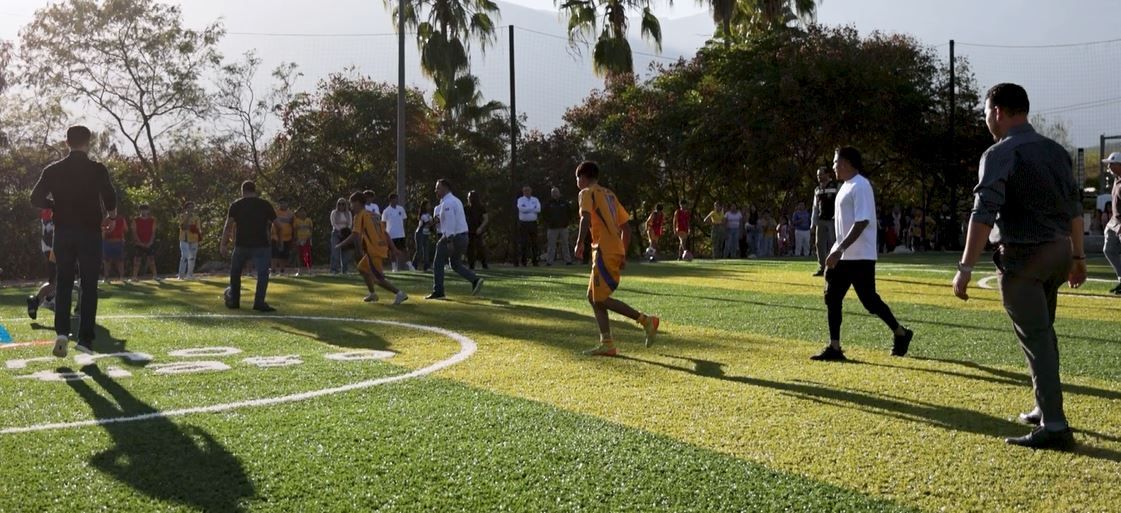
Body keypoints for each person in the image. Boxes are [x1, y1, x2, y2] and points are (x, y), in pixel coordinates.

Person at [952, 83, 1086, 450]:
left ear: (997, 111)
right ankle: (1045, 409)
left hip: (1023, 255)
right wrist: (1078, 257)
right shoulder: (1056, 151)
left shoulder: (999, 153)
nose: (985, 120)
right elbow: (1075, 208)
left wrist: (964, 267)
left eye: (985, 113)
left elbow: (983, 214)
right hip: (1059, 253)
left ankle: (1055, 425)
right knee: (1044, 332)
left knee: (1037, 337)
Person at [812, 146, 913, 362]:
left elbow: (862, 221)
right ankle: (835, 347)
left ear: (847, 163)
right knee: (832, 297)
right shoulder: (845, 187)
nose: (833, 166)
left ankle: (901, 333)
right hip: (844, 256)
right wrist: (837, 250)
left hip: (860, 257)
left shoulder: (861, 185)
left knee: (869, 301)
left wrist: (840, 249)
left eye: (835, 162)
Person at [30, 125, 118, 357]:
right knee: (89, 285)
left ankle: (61, 332)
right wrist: (112, 216)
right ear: (88, 142)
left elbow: (35, 197)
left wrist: (52, 205)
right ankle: (85, 339)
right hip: (89, 232)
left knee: (64, 282)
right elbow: (110, 195)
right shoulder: (97, 169)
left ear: (67, 142)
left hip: (64, 233)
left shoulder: (53, 169)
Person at [572, 161, 659, 356]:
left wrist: (579, 243)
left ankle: (646, 320)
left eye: (577, 178)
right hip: (613, 249)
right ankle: (607, 343)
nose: (577, 182)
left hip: (603, 250)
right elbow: (626, 228)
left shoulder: (586, 193)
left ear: (583, 178)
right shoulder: (609, 195)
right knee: (593, 297)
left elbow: (585, 218)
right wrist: (622, 252)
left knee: (600, 298)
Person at [336, 192, 408, 304]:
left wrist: (343, 245)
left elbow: (356, 235)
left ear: (358, 203)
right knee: (362, 268)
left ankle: (399, 293)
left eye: (352, 203)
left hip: (373, 250)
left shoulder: (359, 216)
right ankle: (373, 294)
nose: (351, 207)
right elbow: (385, 233)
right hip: (380, 247)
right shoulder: (374, 215)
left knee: (378, 278)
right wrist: (393, 248)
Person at [220, 181, 277, 312]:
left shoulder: (236, 205)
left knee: (235, 273)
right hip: (261, 244)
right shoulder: (265, 204)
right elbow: (277, 223)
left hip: (241, 244)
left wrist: (223, 244)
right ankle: (259, 302)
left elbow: (228, 226)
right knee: (262, 274)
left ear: (242, 190)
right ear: (254, 190)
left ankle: (234, 300)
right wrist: (275, 238)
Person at [428, 179, 484, 300]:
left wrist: (449, 241)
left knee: (438, 262)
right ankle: (475, 280)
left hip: (454, 237)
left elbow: (450, 222)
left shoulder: (448, 203)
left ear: (445, 188)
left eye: (438, 187)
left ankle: (438, 292)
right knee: (455, 264)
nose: (435, 190)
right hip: (464, 236)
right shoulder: (456, 201)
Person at [28, 209, 56, 319]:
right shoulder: (55, 206)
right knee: (56, 281)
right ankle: (35, 301)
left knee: (56, 279)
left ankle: (49, 299)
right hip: (55, 248)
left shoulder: (47, 207)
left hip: (49, 247)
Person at [811, 167, 840, 275]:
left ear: (828, 174)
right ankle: (822, 267)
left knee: (833, 243)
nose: (819, 177)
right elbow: (814, 206)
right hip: (821, 220)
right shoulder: (817, 189)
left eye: (821, 174)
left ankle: (835, 267)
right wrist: (813, 223)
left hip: (832, 220)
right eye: (818, 175)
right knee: (819, 244)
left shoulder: (836, 186)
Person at [1101, 152, 1121, 294]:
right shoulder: (1116, 179)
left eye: (1111, 163)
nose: (1108, 166)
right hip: (1115, 221)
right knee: (1108, 249)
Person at [543, 187, 574, 265]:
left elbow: (569, 213)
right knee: (551, 245)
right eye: (553, 192)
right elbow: (544, 215)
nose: (555, 194)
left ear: (559, 193)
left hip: (563, 227)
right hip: (552, 228)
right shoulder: (548, 203)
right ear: (551, 194)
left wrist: (567, 222)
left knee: (565, 244)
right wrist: (549, 222)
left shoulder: (564, 202)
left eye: (556, 192)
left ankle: (568, 260)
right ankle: (549, 261)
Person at [129, 204, 160, 282]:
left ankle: (155, 275)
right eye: (142, 209)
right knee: (137, 260)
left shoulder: (152, 220)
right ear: (139, 210)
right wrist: (140, 242)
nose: (144, 211)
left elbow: (153, 232)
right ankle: (134, 276)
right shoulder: (135, 220)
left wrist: (150, 242)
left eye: (145, 210)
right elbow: (134, 232)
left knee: (151, 260)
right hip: (139, 243)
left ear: (148, 211)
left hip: (149, 243)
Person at [516, 185, 541, 266]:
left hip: (533, 223)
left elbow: (538, 209)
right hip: (523, 223)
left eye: (528, 190)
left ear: (531, 191)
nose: (527, 192)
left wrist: (528, 208)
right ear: (523, 192)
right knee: (524, 243)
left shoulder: (535, 199)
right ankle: (524, 261)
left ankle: (535, 261)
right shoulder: (520, 200)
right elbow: (521, 209)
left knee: (535, 243)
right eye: (525, 190)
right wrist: (532, 208)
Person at [465, 191, 489, 270]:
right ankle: (471, 265)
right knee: (470, 248)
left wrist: (481, 228)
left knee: (480, 248)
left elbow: (486, 219)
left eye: (470, 197)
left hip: (478, 230)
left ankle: (484, 264)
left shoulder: (481, 207)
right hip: (469, 230)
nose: (469, 198)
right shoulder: (466, 208)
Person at [177, 201, 202, 280]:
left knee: (192, 257)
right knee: (184, 256)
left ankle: (190, 274)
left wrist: (190, 226)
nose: (191, 209)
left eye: (192, 207)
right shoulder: (182, 216)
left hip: (194, 239)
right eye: (189, 207)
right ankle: (181, 275)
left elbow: (197, 228)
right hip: (184, 239)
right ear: (186, 208)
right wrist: (188, 218)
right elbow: (183, 227)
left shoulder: (196, 217)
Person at [101, 211, 128, 283]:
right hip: (107, 242)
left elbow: (125, 229)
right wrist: (107, 229)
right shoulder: (105, 220)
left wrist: (121, 236)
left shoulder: (121, 219)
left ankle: (122, 277)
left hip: (118, 242)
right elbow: (102, 231)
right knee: (107, 261)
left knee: (120, 261)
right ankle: (106, 277)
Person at [329, 198, 353, 274]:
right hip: (336, 233)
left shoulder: (348, 213)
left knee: (346, 253)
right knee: (335, 252)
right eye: (339, 204)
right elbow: (333, 223)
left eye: (343, 204)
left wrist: (345, 231)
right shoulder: (334, 213)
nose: (341, 205)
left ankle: (345, 270)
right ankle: (334, 269)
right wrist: (340, 230)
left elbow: (350, 223)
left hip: (346, 233)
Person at [271, 198, 294, 275]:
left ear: (287, 204)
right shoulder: (275, 212)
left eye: (285, 203)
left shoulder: (290, 213)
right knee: (275, 254)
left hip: (287, 238)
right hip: (276, 237)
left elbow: (293, 225)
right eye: (281, 203)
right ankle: (273, 270)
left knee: (284, 255)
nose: (283, 204)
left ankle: (282, 271)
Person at [414, 200, 433, 272]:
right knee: (419, 251)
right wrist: (434, 222)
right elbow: (428, 223)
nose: (429, 206)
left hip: (426, 234)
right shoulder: (423, 215)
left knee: (426, 250)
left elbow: (431, 224)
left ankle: (426, 266)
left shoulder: (429, 215)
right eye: (428, 205)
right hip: (420, 233)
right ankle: (414, 265)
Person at [293, 207, 313, 276]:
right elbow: (295, 231)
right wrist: (296, 240)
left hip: (307, 240)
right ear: (298, 213)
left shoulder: (309, 220)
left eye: (304, 211)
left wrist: (309, 238)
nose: (302, 213)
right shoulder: (296, 221)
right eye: (300, 211)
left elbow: (311, 230)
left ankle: (309, 270)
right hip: (299, 240)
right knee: (299, 255)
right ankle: (299, 271)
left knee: (307, 255)